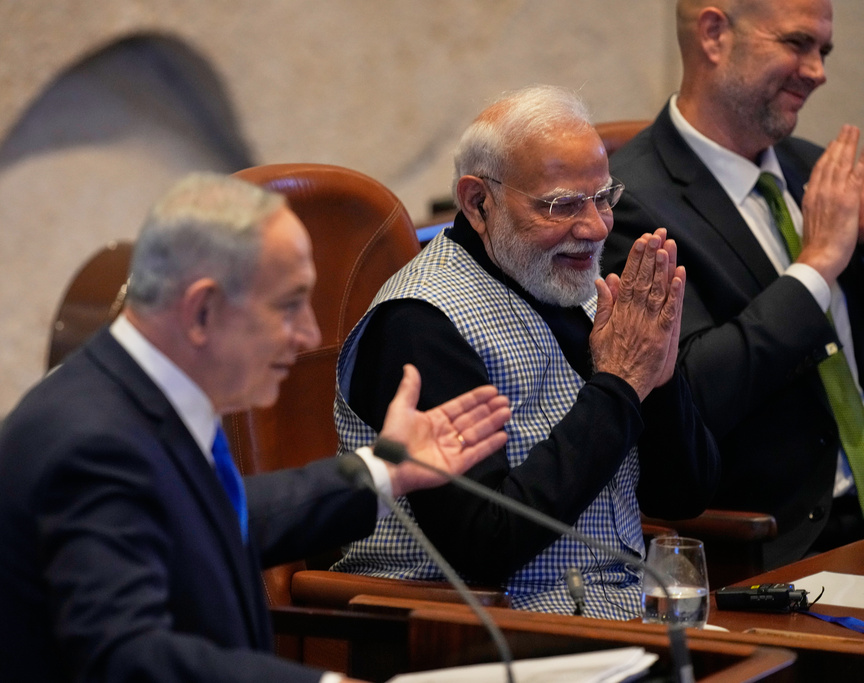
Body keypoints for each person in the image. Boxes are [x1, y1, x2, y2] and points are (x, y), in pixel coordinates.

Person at [0, 173, 512, 683]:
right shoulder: (90, 444)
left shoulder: (146, 396)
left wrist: (385, 469)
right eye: (290, 306)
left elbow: (217, 514)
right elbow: (126, 657)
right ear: (202, 312)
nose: (308, 332)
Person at [331, 86, 719, 620]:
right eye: (561, 205)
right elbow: (485, 542)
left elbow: (684, 497)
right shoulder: (420, 322)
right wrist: (620, 386)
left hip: (623, 614)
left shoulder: (580, 294)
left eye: (604, 198)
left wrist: (658, 374)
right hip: (474, 632)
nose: (596, 227)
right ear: (478, 202)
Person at [603, 0, 864, 568]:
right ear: (715, 34)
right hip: (776, 547)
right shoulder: (631, 205)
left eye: (823, 50)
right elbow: (691, 394)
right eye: (797, 44)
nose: (817, 71)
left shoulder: (816, 172)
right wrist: (816, 266)